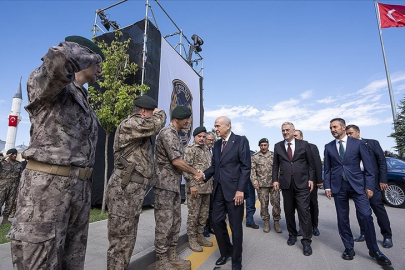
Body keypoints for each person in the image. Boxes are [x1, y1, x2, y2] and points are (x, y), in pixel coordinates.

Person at [6, 36, 104, 269]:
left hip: (78, 191)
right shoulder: (50, 85)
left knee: (72, 261)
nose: (100, 69)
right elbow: (57, 59)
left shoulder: (84, 98)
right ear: (85, 58)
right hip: (47, 190)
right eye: (97, 62)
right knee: (40, 261)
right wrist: (83, 53)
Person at [106, 95, 166, 269]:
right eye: (151, 112)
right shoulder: (130, 124)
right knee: (120, 241)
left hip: (132, 190)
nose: (154, 115)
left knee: (127, 239)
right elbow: (155, 125)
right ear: (144, 111)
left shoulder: (138, 127)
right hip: (124, 189)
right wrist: (160, 114)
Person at [324, 118, 391, 266]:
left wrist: (369, 186)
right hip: (338, 187)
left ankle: (374, 249)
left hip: (358, 186)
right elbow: (328, 169)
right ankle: (349, 248)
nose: (332, 130)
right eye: (330, 128)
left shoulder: (359, 143)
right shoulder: (328, 147)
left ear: (343, 127)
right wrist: (327, 187)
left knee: (366, 215)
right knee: (342, 219)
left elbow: (369, 168)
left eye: (335, 127)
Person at [154, 105, 203, 270]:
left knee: (175, 223)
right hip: (164, 187)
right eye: (186, 118)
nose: (188, 121)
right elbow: (176, 161)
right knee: (164, 224)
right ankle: (161, 260)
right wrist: (195, 172)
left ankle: (172, 255)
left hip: (173, 186)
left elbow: (179, 163)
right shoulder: (167, 133)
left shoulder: (175, 135)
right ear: (177, 119)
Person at [202, 116, 251, 270]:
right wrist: (204, 174)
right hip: (218, 191)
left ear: (228, 126)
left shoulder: (241, 141)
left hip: (235, 192)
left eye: (218, 126)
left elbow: (245, 167)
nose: (215, 129)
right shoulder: (217, 145)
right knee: (216, 222)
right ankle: (226, 251)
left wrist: (240, 190)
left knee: (236, 227)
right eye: (215, 126)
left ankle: (237, 261)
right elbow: (215, 166)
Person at [345, 124, 393, 249]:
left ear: (358, 133)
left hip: (372, 182)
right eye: (347, 134)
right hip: (357, 184)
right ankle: (364, 233)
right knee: (361, 211)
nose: (349, 136)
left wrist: (383, 180)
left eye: (351, 133)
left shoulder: (372, 143)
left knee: (378, 208)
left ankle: (387, 235)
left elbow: (382, 162)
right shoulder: (347, 148)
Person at [272, 122, 314, 256]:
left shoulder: (304, 144)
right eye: (283, 130)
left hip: (302, 184)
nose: (285, 132)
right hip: (286, 184)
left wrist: (311, 179)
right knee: (289, 211)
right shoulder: (278, 146)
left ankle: (306, 241)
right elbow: (275, 165)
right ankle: (292, 234)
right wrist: (275, 180)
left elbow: (310, 164)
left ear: (293, 130)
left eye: (287, 130)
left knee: (304, 211)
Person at [184, 126, 214, 252]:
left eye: (203, 136)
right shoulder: (190, 149)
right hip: (195, 189)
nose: (202, 139)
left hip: (206, 189)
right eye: (199, 136)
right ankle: (192, 239)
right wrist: (192, 185)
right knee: (193, 215)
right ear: (195, 137)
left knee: (203, 215)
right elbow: (185, 168)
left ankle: (200, 236)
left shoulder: (207, 149)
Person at [293, 130, 323, 236]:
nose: (294, 137)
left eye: (296, 135)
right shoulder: (291, 148)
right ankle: (303, 228)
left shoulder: (311, 147)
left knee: (313, 204)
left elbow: (317, 163)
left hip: (310, 182)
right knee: (300, 207)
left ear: (301, 137)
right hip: (297, 183)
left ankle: (315, 226)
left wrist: (319, 180)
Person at [251, 138, 282, 233]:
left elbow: (279, 169)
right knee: (264, 205)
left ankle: (276, 222)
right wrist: (254, 182)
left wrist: (280, 182)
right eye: (261, 145)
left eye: (265, 145)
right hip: (261, 185)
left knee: (276, 204)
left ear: (268, 145)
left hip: (274, 184)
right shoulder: (255, 157)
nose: (263, 147)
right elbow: (252, 170)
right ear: (259, 146)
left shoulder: (274, 156)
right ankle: (266, 222)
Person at [0, 148, 22, 224]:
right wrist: (4, 157)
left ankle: (5, 220)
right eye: (13, 154)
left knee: (10, 203)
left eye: (15, 154)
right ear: (9, 155)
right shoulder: (3, 163)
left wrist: (19, 186)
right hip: (2, 186)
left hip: (13, 186)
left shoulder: (19, 164)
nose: (15, 155)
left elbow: (21, 176)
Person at [203, 132, 215, 237]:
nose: (211, 142)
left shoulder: (215, 151)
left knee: (212, 207)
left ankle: (210, 226)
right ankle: (204, 228)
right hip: (203, 184)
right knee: (204, 208)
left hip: (213, 184)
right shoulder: (202, 150)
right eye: (209, 139)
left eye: (212, 140)